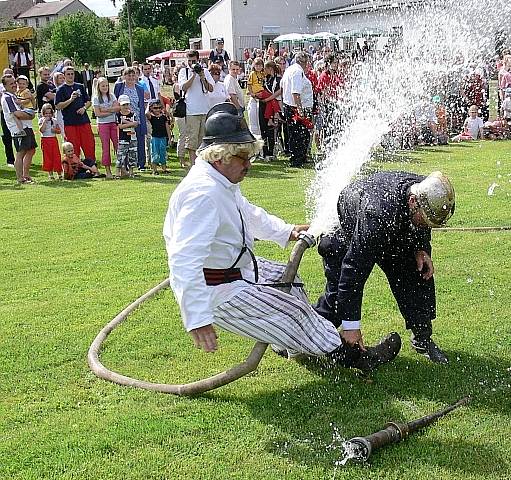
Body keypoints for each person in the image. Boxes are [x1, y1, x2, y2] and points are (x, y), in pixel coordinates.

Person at [163, 102, 401, 371]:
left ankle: (293, 344)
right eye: (243, 157)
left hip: (235, 270)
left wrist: (286, 231)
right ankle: (353, 357)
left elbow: (248, 214)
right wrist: (197, 318)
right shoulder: (202, 195)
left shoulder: (220, 183)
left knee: (289, 277)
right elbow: (184, 260)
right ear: (221, 156)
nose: (249, 164)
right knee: (294, 313)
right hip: (217, 291)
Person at [314, 171, 455, 364]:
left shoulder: (427, 188)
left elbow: (423, 225)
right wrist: (351, 326)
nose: (425, 225)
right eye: (424, 220)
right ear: (413, 201)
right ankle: (300, 336)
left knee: (417, 273)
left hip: (391, 222)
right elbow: (352, 271)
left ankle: (422, 338)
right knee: (339, 300)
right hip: (348, 232)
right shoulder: (376, 215)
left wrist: (421, 248)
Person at [178, 50, 215, 167]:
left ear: (198, 60)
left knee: (203, 140)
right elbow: (184, 87)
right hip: (191, 111)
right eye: (189, 61)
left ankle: (202, 165)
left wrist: (202, 77)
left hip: (205, 110)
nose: (191, 63)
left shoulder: (205, 71)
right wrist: (194, 74)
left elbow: (210, 89)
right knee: (192, 141)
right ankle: (194, 165)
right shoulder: (184, 72)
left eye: (193, 61)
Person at [55, 66, 96, 162]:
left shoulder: (80, 86)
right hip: (70, 123)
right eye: (68, 74)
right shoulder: (61, 89)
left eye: (72, 74)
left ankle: (91, 165)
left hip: (83, 121)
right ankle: (75, 167)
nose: (70, 76)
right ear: (64, 76)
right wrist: (70, 99)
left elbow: (88, 101)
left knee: (89, 144)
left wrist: (84, 108)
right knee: (73, 146)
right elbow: (58, 106)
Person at [1, 74, 36, 183]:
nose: (14, 85)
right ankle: (20, 178)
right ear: (5, 86)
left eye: (14, 82)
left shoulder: (14, 96)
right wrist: (31, 115)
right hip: (18, 129)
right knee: (21, 152)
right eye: (10, 83)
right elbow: (17, 114)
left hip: (27, 126)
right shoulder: (7, 97)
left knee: (31, 150)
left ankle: (25, 175)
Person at [281, 52, 314, 167]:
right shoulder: (297, 72)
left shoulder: (290, 69)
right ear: (304, 62)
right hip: (296, 107)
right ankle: (297, 159)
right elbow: (295, 92)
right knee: (298, 134)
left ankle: (300, 157)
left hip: (291, 106)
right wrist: (299, 109)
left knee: (299, 134)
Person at [114, 67, 147, 169]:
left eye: (133, 75)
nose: (131, 77)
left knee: (139, 141)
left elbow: (141, 104)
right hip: (124, 119)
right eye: (129, 75)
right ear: (124, 76)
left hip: (137, 118)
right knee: (126, 141)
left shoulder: (140, 88)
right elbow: (115, 101)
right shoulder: (119, 86)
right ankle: (125, 165)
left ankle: (140, 164)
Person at [92, 77, 119, 178]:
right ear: (98, 87)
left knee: (118, 145)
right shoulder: (96, 98)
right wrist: (110, 111)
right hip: (103, 125)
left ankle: (121, 168)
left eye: (107, 85)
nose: (105, 87)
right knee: (106, 147)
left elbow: (118, 108)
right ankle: (108, 171)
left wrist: (106, 109)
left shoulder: (111, 96)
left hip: (113, 123)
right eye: (103, 85)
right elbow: (98, 113)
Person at [146, 99, 171, 175]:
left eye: (159, 107)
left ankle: (164, 169)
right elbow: (146, 113)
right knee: (155, 153)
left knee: (163, 153)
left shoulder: (164, 117)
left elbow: (167, 128)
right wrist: (148, 105)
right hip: (154, 138)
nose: (158, 109)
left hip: (163, 137)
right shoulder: (152, 117)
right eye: (155, 108)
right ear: (151, 109)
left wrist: (169, 138)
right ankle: (154, 170)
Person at [38, 103, 62, 180]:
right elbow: (41, 130)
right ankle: (50, 173)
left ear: (52, 113)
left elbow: (59, 131)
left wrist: (55, 130)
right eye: (46, 113)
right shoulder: (41, 120)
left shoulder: (54, 120)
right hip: (45, 140)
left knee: (56, 156)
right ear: (43, 113)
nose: (48, 115)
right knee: (47, 157)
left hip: (53, 139)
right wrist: (44, 122)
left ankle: (59, 173)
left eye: (49, 113)